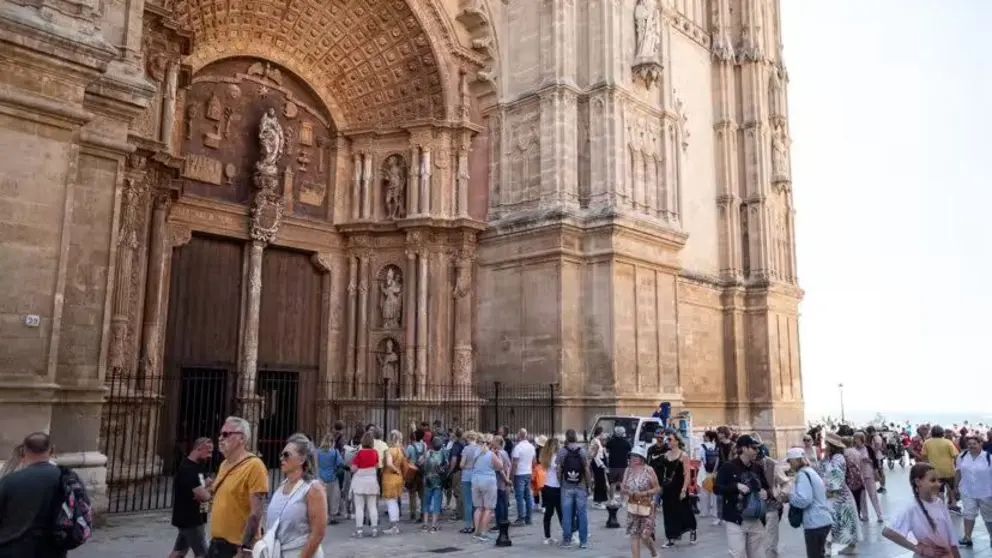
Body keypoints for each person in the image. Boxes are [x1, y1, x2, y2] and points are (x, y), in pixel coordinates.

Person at [209, 416, 269, 558]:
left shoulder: (254, 466)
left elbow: (256, 513)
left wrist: (246, 548)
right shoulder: (224, 464)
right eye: (220, 434)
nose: (220, 438)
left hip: (236, 548)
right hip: (216, 544)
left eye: (226, 434)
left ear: (241, 438)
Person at [0, 432, 68, 558]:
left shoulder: (10, 481)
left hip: (13, 547)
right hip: (52, 549)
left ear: (24, 450)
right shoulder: (66, 478)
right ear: (52, 450)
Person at [262, 434, 327, 558]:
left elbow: (318, 533)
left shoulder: (313, 489)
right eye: (281, 455)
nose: (282, 458)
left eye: (286, 455)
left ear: (302, 460)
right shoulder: (282, 485)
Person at [882, 463, 961, 558]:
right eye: (932, 480)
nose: (938, 484)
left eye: (938, 480)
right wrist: (919, 549)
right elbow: (887, 532)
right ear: (918, 482)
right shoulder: (911, 506)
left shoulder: (939, 502)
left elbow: (950, 534)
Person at [715, 434, 770, 558]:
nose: (757, 451)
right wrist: (735, 486)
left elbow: (766, 487)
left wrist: (766, 492)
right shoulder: (728, 467)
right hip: (736, 519)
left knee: (758, 555)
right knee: (738, 555)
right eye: (754, 448)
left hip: (756, 519)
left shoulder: (758, 467)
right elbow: (717, 488)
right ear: (744, 449)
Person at [783, 447, 833, 558]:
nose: (789, 464)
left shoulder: (803, 475)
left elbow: (804, 500)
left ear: (796, 460)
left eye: (790, 461)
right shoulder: (810, 472)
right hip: (822, 519)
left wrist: (789, 496)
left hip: (815, 522)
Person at [170, 437, 214, 558]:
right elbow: (204, 496)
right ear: (199, 447)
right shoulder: (188, 469)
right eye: (208, 451)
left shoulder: (197, 466)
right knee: (203, 554)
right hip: (191, 519)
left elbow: (205, 482)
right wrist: (210, 490)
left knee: (179, 551)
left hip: (192, 517)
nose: (210, 455)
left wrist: (206, 485)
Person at [822, 432, 861, 556]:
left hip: (838, 498)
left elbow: (836, 482)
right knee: (844, 532)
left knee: (834, 529)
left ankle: (829, 551)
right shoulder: (831, 458)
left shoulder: (837, 458)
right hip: (838, 497)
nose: (825, 446)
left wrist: (827, 494)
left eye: (826, 443)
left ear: (831, 445)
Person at [657, 431, 697, 547]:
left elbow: (687, 474)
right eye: (667, 439)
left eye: (669, 439)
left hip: (679, 488)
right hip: (668, 488)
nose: (667, 441)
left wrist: (684, 489)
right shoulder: (665, 455)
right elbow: (663, 471)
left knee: (684, 510)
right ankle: (671, 537)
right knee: (668, 512)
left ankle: (692, 529)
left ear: (676, 441)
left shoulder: (683, 456)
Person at [621, 446, 660, 558]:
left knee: (645, 535)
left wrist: (644, 493)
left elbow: (657, 488)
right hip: (633, 506)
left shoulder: (649, 470)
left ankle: (653, 552)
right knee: (634, 535)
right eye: (632, 456)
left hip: (647, 506)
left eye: (636, 456)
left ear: (642, 458)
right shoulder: (628, 470)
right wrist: (629, 492)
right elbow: (623, 487)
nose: (633, 458)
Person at [954, 435, 992, 548]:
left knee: (989, 516)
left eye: (974, 443)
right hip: (967, 490)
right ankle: (967, 537)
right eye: (969, 444)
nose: (971, 446)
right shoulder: (962, 456)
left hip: (986, 492)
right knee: (968, 513)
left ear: (980, 444)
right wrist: (955, 487)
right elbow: (958, 472)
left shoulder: (988, 457)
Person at [557, 429, 591, 549]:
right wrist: (589, 485)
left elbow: (558, 469)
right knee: (582, 514)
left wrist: (561, 482)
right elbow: (587, 469)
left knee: (566, 514)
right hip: (581, 485)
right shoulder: (582, 451)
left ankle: (567, 540)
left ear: (566, 437)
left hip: (567, 486)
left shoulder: (562, 451)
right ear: (576, 437)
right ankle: (583, 541)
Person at [471, 433, 503, 541]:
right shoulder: (491, 454)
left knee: (478, 508)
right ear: (491, 443)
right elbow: (500, 466)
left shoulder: (476, 452)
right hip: (488, 481)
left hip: (475, 480)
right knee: (488, 508)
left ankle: (476, 531)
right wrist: (497, 454)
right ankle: (483, 532)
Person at [350, 431, 380, 538]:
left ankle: (359, 531)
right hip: (371, 480)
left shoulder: (359, 453)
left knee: (359, 507)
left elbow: (353, 469)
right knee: (372, 507)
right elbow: (376, 466)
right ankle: (374, 529)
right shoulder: (375, 452)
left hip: (359, 481)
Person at [923, 425, 960, 513]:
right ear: (942, 433)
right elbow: (956, 455)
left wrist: (927, 466)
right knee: (951, 487)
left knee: (939, 489)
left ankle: (940, 506)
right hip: (949, 470)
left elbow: (924, 456)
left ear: (932, 433)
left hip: (934, 471)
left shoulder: (927, 443)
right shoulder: (948, 442)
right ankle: (953, 505)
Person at [853, 431, 884, 522]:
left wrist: (869, 461)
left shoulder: (868, 449)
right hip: (858, 475)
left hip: (868, 473)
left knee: (873, 495)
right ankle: (865, 516)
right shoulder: (853, 450)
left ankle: (879, 515)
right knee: (862, 497)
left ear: (862, 439)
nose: (855, 441)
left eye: (857, 438)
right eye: (855, 439)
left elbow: (874, 462)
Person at [381, 430, 407, 534]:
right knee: (395, 501)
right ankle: (395, 524)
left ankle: (394, 526)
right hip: (399, 477)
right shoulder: (400, 450)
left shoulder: (389, 450)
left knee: (390, 502)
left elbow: (389, 463)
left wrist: (394, 469)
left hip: (390, 477)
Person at [539, 437, 563, 545]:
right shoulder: (556, 458)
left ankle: (547, 536)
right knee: (561, 512)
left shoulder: (546, 457)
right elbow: (558, 473)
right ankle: (568, 533)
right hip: (556, 487)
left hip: (547, 486)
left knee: (548, 513)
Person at [422, 436, 449, 532]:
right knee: (437, 502)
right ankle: (434, 524)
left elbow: (421, 463)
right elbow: (446, 465)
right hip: (438, 481)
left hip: (427, 480)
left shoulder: (427, 453)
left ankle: (425, 524)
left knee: (426, 502)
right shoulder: (443, 453)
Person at [315, 434, 343, 526]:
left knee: (322, 499)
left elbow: (315, 464)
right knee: (334, 498)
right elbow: (340, 463)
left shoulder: (318, 451)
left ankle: (323, 517)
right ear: (332, 442)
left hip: (321, 477)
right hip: (333, 477)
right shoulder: (335, 452)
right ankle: (333, 517)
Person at [510, 428, 535, 526]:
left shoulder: (518, 448)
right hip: (528, 473)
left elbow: (514, 464)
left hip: (519, 474)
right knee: (528, 496)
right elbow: (534, 462)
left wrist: (512, 477)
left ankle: (521, 518)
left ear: (519, 436)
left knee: (519, 497)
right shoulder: (531, 447)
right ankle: (529, 518)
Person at [458, 430, 480, 534]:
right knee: (476, 502)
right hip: (476, 476)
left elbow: (462, 464)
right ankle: (476, 524)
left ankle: (468, 525)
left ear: (468, 438)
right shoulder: (480, 448)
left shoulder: (466, 449)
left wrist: (464, 466)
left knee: (467, 502)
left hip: (466, 476)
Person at [605, 426, 632, 505]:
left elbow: (607, 447)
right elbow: (630, 449)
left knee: (612, 483)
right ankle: (623, 501)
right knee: (622, 483)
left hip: (613, 465)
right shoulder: (626, 442)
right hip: (623, 465)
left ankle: (612, 500)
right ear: (622, 433)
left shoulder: (611, 441)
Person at [588, 427, 609, 509]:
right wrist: (601, 464)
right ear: (600, 433)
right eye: (602, 433)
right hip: (597, 464)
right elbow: (594, 454)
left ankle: (598, 500)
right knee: (600, 482)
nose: (603, 435)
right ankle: (598, 501)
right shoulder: (594, 441)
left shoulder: (598, 441)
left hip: (599, 463)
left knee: (601, 481)